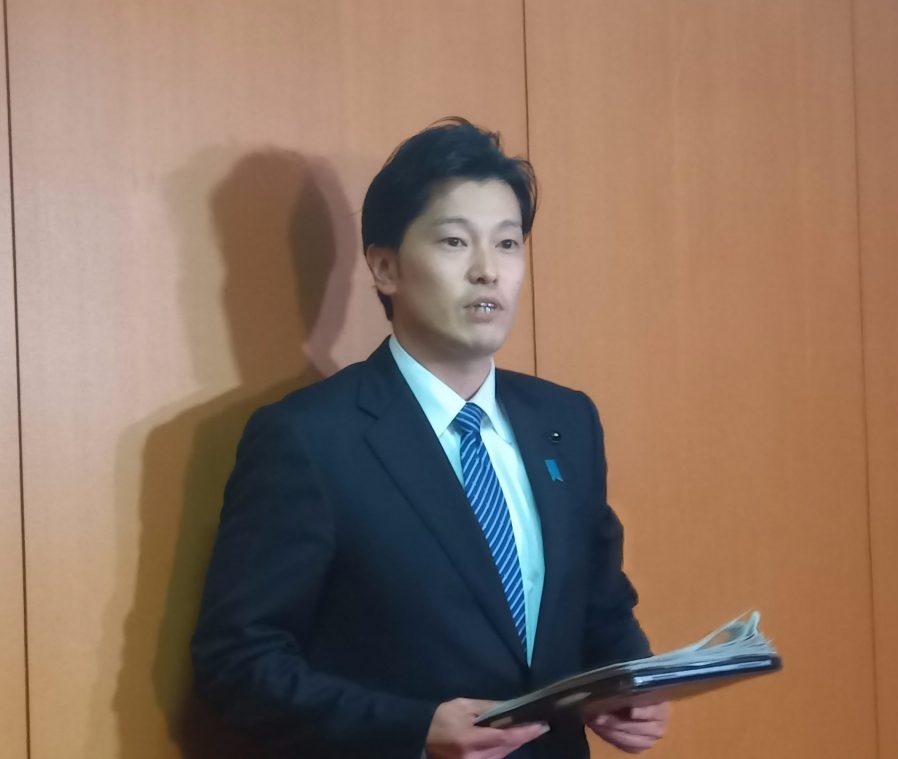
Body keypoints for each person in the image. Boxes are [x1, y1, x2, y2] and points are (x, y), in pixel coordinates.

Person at [191, 117, 668, 758]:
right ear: (385, 267)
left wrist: (628, 681)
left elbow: (600, 606)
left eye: (508, 244)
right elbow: (237, 661)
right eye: (454, 241)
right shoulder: (309, 439)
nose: (487, 271)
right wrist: (411, 728)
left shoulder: (566, 421)